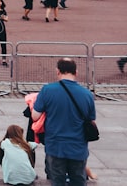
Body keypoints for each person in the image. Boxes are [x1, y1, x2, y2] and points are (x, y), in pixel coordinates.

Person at [32, 58, 95, 186]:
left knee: (57, 181)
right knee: (78, 180)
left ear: (57, 71)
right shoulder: (87, 94)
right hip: (78, 147)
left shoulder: (47, 90)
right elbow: (91, 120)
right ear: (76, 72)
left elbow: (35, 116)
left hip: (55, 146)